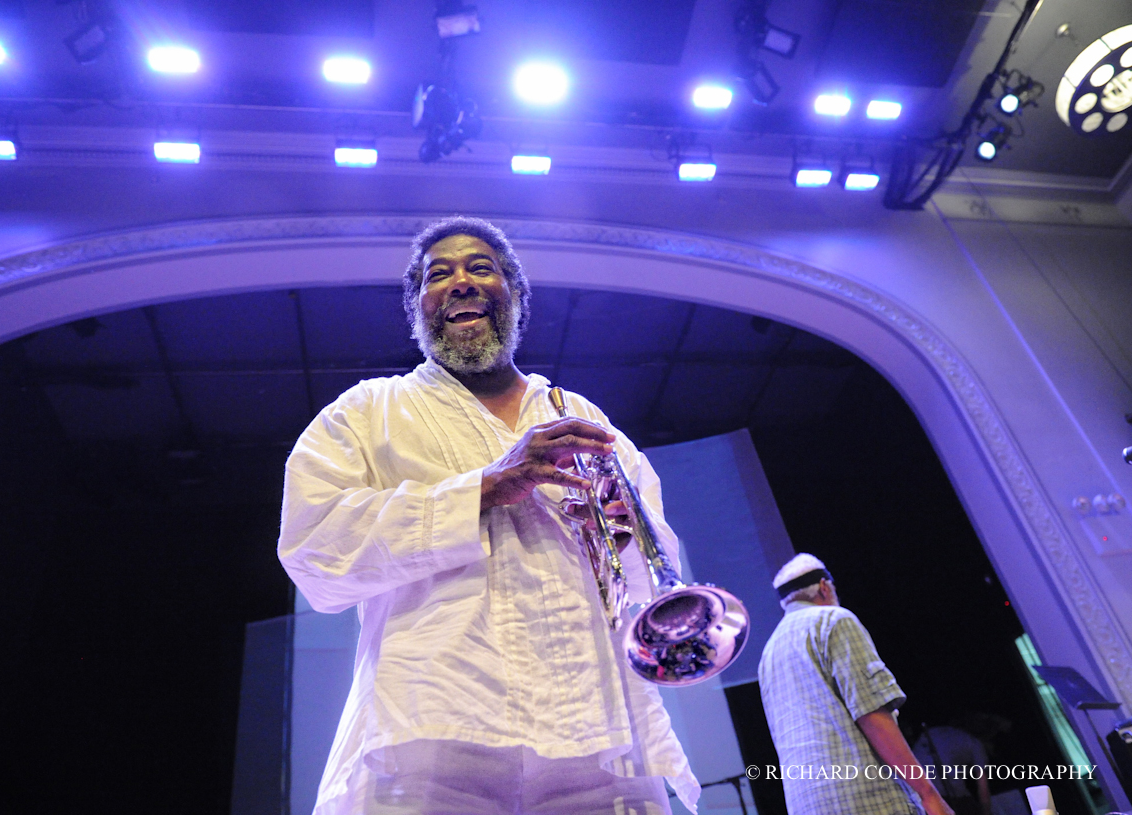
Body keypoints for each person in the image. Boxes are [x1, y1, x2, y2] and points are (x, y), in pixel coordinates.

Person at [277, 216, 698, 815]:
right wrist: (483, 489)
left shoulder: (580, 415)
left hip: (600, 736)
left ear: (516, 296)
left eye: (481, 268)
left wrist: (623, 535)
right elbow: (314, 555)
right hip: (432, 735)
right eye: (437, 275)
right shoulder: (367, 412)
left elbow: (648, 577)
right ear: (418, 308)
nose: (461, 283)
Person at [758, 553, 953, 815]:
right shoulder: (833, 620)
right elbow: (870, 712)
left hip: (805, 805)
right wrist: (927, 793)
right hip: (864, 795)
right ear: (825, 587)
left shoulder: (768, 654)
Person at [910, 724, 991, 815]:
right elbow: (984, 791)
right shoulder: (975, 744)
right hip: (940, 787)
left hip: (917, 787)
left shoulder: (948, 734)